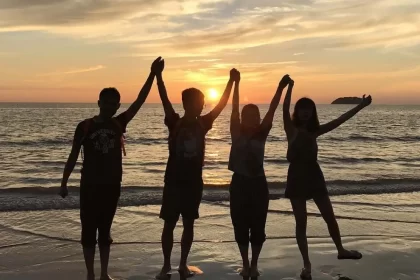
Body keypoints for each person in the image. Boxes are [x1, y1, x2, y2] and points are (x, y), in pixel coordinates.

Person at [59, 57, 163, 280]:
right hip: (89, 187)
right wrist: (64, 182)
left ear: (117, 106)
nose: (108, 106)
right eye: (105, 102)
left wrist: (153, 74)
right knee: (88, 232)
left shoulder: (119, 123)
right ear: (99, 103)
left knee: (105, 232)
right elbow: (73, 155)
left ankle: (104, 274)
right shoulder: (84, 126)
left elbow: (139, 101)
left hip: (111, 186)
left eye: (113, 103)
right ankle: (90, 274)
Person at [282, 78, 372, 280]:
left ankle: (340, 249)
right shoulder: (291, 129)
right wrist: (289, 87)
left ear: (313, 112)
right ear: (297, 112)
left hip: (314, 176)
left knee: (329, 216)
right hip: (296, 178)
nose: (306, 112)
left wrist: (360, 106)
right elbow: (284, 107)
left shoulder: (315, 131)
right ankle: (306, 265)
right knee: (301, 223)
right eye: (302, 109)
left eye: (309, 109)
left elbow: (340, 120)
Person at [154, 57, 236, 279]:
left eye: (202, 103)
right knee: (169, 224)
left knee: (189, 224)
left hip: (193, 184)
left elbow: (221, 104)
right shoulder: (174, 121)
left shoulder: (204, 123)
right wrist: (158, 75)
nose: (202, 106)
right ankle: (165, 266)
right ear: (188, 104)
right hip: (173, 182)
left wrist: (230, 82)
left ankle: (182, 264)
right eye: (199, 103)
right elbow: (163, 98)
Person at [229, 72, 291, 277]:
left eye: (254, 116)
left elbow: (272, 109)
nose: (251, 119)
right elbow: (235, 107)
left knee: (258, 225)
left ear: (258, 119)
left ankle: (254, 264)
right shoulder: (236, 130)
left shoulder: (261, 132)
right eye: (247, 116)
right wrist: (236, 83)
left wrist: (280, 89)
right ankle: (245, 264)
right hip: (238, 183)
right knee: (239, 225)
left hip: (258, 184)